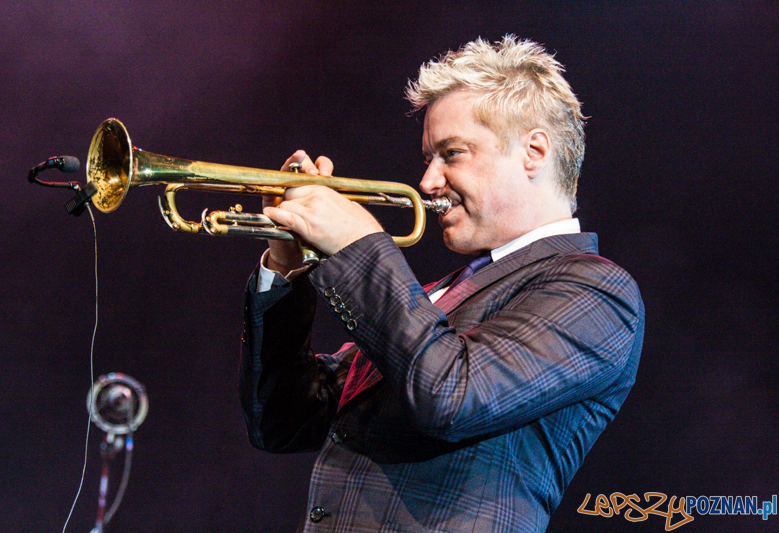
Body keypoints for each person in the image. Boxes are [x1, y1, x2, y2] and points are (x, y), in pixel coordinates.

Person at [239, 35, 645, 533]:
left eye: (451, 154)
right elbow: (282, 421)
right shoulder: (442, 294)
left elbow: (451, 394)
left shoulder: (596, 290)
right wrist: (287, 267)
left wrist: (361, 245)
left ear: (534, 150)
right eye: (429, 157)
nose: (428, 182)